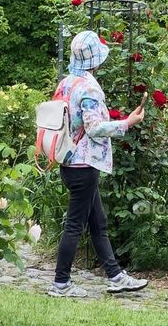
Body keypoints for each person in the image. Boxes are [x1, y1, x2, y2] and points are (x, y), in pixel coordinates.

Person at [48, 29, 148, 297]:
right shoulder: (89, 88)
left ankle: (115, 276)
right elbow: (93, 129)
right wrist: (127, 123)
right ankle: (61, 284)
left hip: (68, 161)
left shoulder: (66, 83)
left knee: (98, 221)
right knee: (74, 226)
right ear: (96, 59)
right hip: (84, 166)